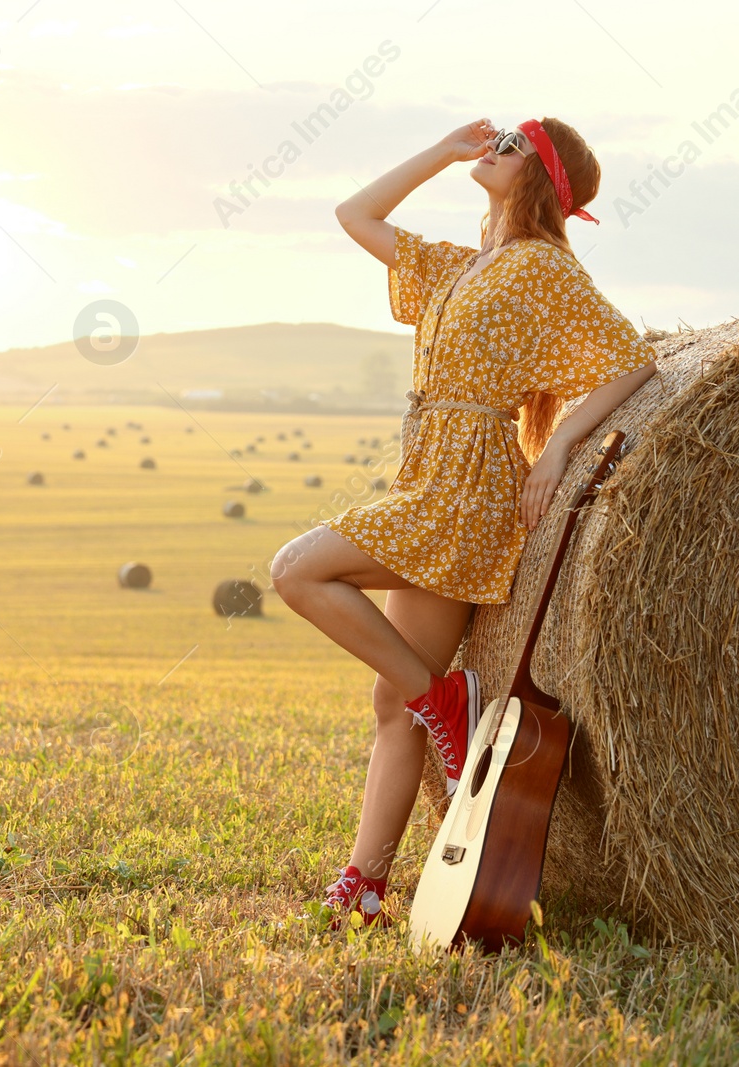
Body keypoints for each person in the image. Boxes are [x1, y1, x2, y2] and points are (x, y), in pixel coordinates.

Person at [270, 117, 657, 927]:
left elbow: (632, 358)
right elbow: (355, 215)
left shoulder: (543, 270)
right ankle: (367, 882)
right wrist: (445, 152)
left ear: (540, 179)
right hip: (429, 475)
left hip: (468, 488)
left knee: (296, 569)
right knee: (391, 703)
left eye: (513, 145)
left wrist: (556, 452)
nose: (497, 147)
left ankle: (446, 702)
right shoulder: (457, 268)